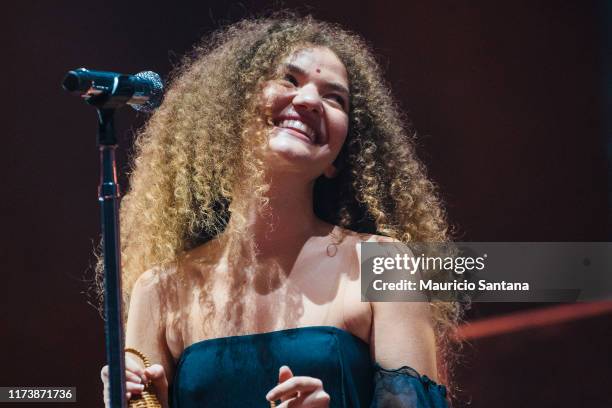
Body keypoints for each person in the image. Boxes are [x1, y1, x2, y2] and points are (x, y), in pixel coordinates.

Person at [99, 13, 460, 408]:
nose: (308, 101)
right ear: (230, 113)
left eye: (334, 98)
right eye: (289, 79)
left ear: (336, 159)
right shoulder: (160, 290)